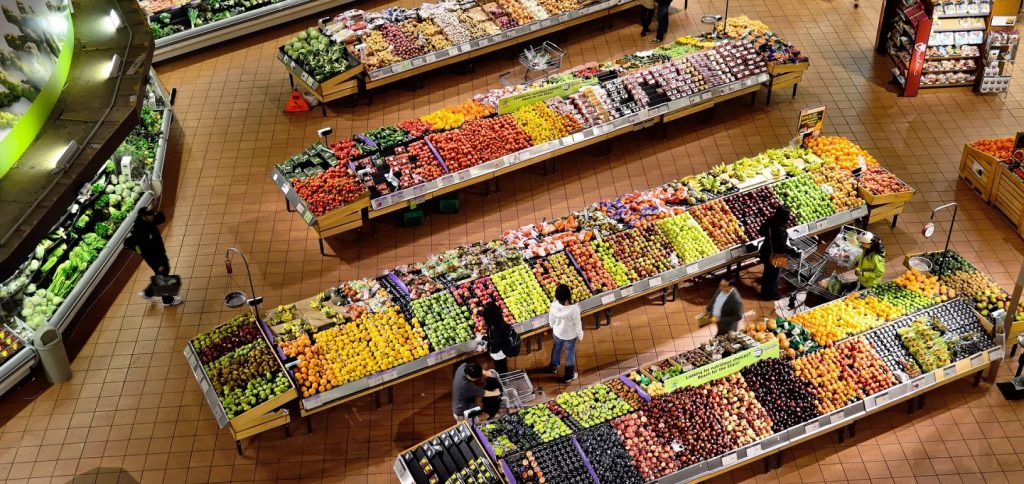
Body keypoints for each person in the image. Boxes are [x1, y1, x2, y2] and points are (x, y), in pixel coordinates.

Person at [125, 207, 182, 306]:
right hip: (155, 258)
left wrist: (156, 214)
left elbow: (161, 219)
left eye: (152, 214)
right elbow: (147, 252)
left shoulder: (147, 221)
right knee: (163, 275)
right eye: (150, 215)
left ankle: (148, 293)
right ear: (144, 217)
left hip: (159, 254)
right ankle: (167, 300)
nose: (152, 216)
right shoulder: (141, 232)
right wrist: (157, 264)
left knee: (163, 274)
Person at [758, 207, 799, 301]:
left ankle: (765, 292)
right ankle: (769, 295)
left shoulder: (771, 220)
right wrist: (793, 251)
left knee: (767, 273)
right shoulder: (781, 230)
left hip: (765, 251)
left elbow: (761, 231)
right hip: (776, 256)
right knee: (773, 275)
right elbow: (781, 247)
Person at [547, 284, 583, 383]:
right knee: (570, 353)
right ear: (568, 295)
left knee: (556, 348)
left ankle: (553, 367)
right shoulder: (574, 309)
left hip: (557, 332)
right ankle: (568, 376)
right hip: (570, 335)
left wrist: (552, 326)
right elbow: (578, 324)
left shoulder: (554, 305)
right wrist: (580, 335)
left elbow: (551, 318)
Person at [481, 302, 518, 374]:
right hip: (504, 348)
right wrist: (480, 313)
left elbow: (495, 342)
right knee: (503, 364)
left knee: (500, 367)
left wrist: (484, 338)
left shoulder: (494, 328)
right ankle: (503, 374)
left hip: (498, 352)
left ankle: (503, 379)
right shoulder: (499, 319)